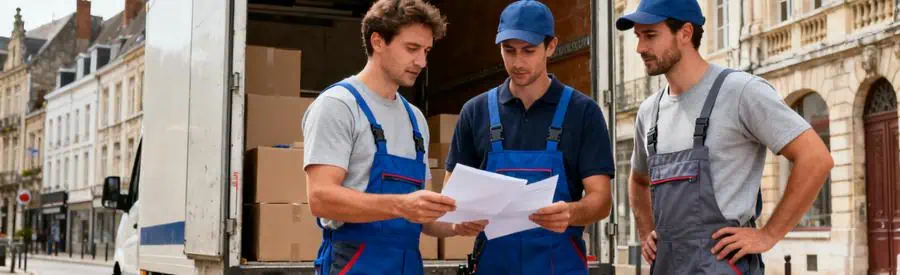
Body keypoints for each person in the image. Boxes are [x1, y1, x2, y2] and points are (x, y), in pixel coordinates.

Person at [616, 0, 835, 273]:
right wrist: (645, 231)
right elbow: (638, 180)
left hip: (724, 265)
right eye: (638, 36)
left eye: (650, 36)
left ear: (685, 33)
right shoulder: (649, 112)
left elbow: (815, 159)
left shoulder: (740, 91)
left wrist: (768, 234)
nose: (640, 48)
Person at [302, 1, 487, 274]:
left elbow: (422, 220)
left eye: (426, 51)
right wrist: (402, 205)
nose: (421, 62)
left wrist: (455, 226)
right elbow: (320, 198)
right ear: (378, 41)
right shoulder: (339, 105)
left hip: (408, 264)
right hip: (354, 263)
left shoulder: (415, 120)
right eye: (411, 49)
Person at [443, 1, 614, 274]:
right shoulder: (475, 112)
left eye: (528, 51)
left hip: (559, 265)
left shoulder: (583, 112)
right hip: (493, 265)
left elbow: (602, 200)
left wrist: (570, 212)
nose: (518, 62)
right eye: (508, 51)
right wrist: (458, 221)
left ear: (552, 46)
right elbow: (450, 196)